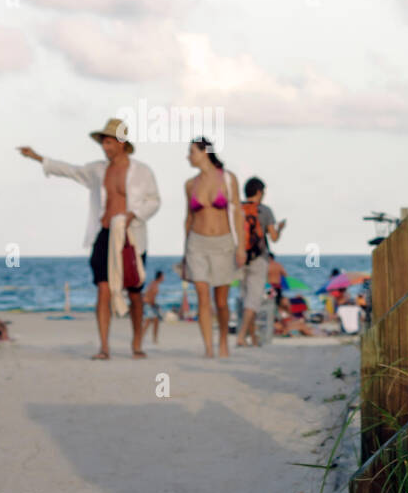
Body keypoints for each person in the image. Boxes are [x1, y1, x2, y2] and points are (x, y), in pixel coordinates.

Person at [17, 118, 161, 359]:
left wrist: (134, 214)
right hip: (103, 234)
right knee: (103, 289)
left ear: (121, 143)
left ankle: (137, 343)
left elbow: (154, 201)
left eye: (108, 142)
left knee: (135, 292)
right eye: (103, 143)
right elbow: (71, 171)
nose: (104, 147)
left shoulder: (142, 172)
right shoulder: (97, 170)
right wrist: (38, 158)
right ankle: (104, 347)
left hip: (132, 237)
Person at [183, 137, 243, 357]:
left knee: (221, 302)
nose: (188, 157)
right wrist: (184, 252)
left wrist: (241, 247)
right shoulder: (190, 184)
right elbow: (188, 218)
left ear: (204, 152)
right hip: (196, 244)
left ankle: (223, 341)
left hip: (223, 243)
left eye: (192, 152)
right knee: (202, 296)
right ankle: (208, 347)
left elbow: (237, 214)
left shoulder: (228, 179)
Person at [235, 176, 285, 347]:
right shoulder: (265, 211)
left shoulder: (238, 209)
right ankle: (242, 336)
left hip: (240, 257)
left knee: (245, 298)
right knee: (254, 299)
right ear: (259, 192)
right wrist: (280, 229)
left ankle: (253, 337)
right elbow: (274, 238)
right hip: (259, 258)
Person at [142, 270, 165, 344]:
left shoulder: (154, 283)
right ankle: (142, 337)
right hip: (149, 304)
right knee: (148, 322)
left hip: (149, 304)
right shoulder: (154, 284)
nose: (164, 278)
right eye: (163, 276)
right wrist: (154, 305)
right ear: (160, 277)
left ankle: (154, 339)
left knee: (154, 321)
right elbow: (150, 296)